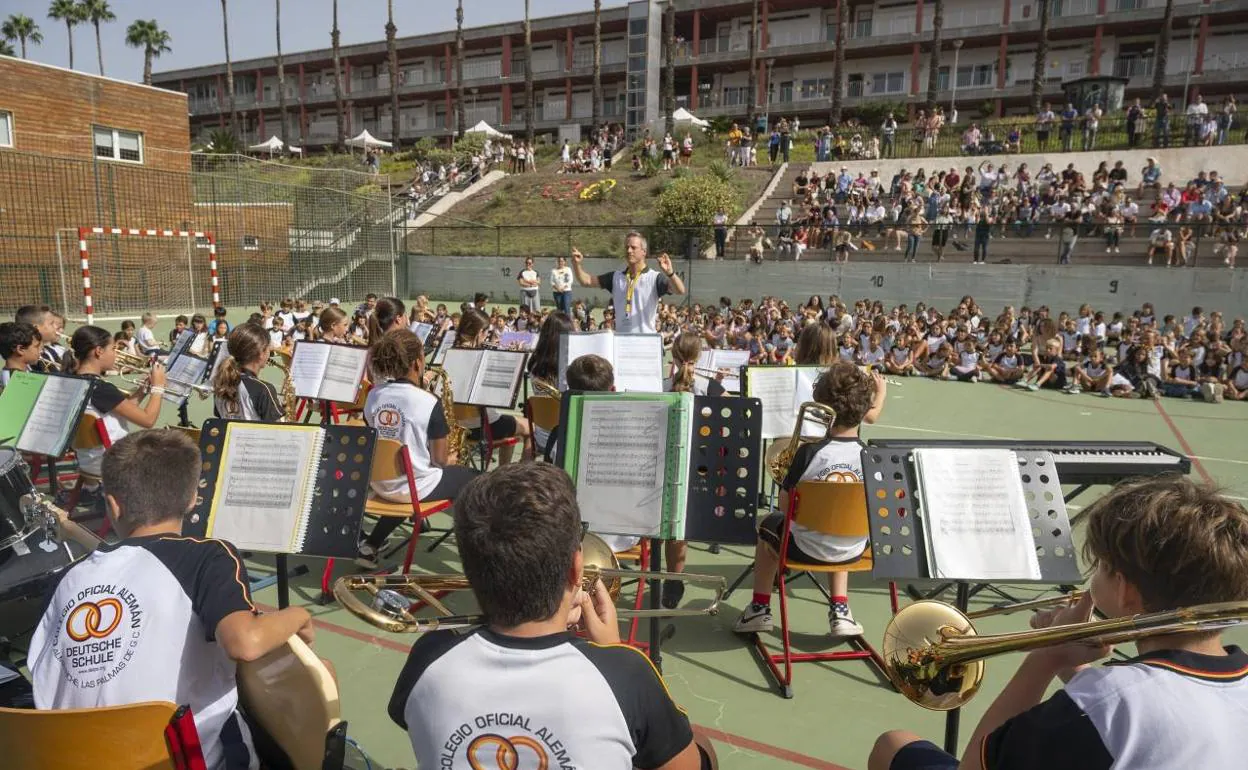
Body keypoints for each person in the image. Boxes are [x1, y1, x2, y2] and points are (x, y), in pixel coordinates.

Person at [869, 475, 1248, 770]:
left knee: (893, 743)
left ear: (1126, 592)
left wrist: (1045, 659)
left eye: (1100, 566)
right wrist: (1073, 664)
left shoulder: (1112, 700)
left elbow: (976, 766)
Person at [387, 462, 713, 770]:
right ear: (576, 569)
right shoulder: (628, 674)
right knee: (704, 746)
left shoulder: (427, 655)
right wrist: (613, 652)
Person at [29, 430, 316, 770]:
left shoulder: (68, 579)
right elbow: (245, 643)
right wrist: (299, 614)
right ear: (193, 498)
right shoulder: (207, 556)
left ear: (113, 504)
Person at [734, 362, 887, 640]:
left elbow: (784, 506)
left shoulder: (809, 454)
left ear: (823, 406)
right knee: (841, 526)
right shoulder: (873, 458)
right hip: (854, 551)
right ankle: (840, 609)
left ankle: (759, 608)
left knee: (768, 527)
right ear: (865, 409)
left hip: (803, 549)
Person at [356, 329, 480, 570]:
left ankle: (371, 545)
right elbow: (440, 462)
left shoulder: (373, 396)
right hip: (411, 488)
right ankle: (476, 553)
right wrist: (454, 456)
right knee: (476, 480)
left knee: (410, 478)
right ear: (417, 363)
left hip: (381, 483)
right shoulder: (428, 401)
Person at [64, 326, 166, 510]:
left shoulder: (75, 382)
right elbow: (148, 420)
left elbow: (120, 409)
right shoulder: (101, 389)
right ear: (98, 351)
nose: (116, 354)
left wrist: (143, 391)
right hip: (112, 461)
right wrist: (158, 388)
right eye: (113, 349)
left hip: (88, 460)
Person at [453, 309, 531, 464]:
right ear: (480, 332)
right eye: (486, 333)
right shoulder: (481, 358)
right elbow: (499, 393)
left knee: (510, 433)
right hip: (481, 426)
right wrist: (512, 359)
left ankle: (504, 471)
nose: (487, 337)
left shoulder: (450, 352)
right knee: (530, 427)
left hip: (456, 426)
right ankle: (519, 471)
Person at [570, 232, 686, 334]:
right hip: (621, 340)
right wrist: (576, 265)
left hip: (645, 341)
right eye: (627, 247)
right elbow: (586, 281)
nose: (629, 250)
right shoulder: (616, 277)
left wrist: (670, 273)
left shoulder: (654, 278)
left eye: (633, 247)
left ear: (643, 252)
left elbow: (680, 290)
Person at [212, 322, 284, 422]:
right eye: (268, 349)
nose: (269, 353)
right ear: (261, 354)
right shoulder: (263, 389)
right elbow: (277, 430)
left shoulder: (221, 384)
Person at [0, 321, 42, 391]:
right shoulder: (16, 380)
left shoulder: (20, 373)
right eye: (36, 346)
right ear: (20, 349)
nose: (41, 350)